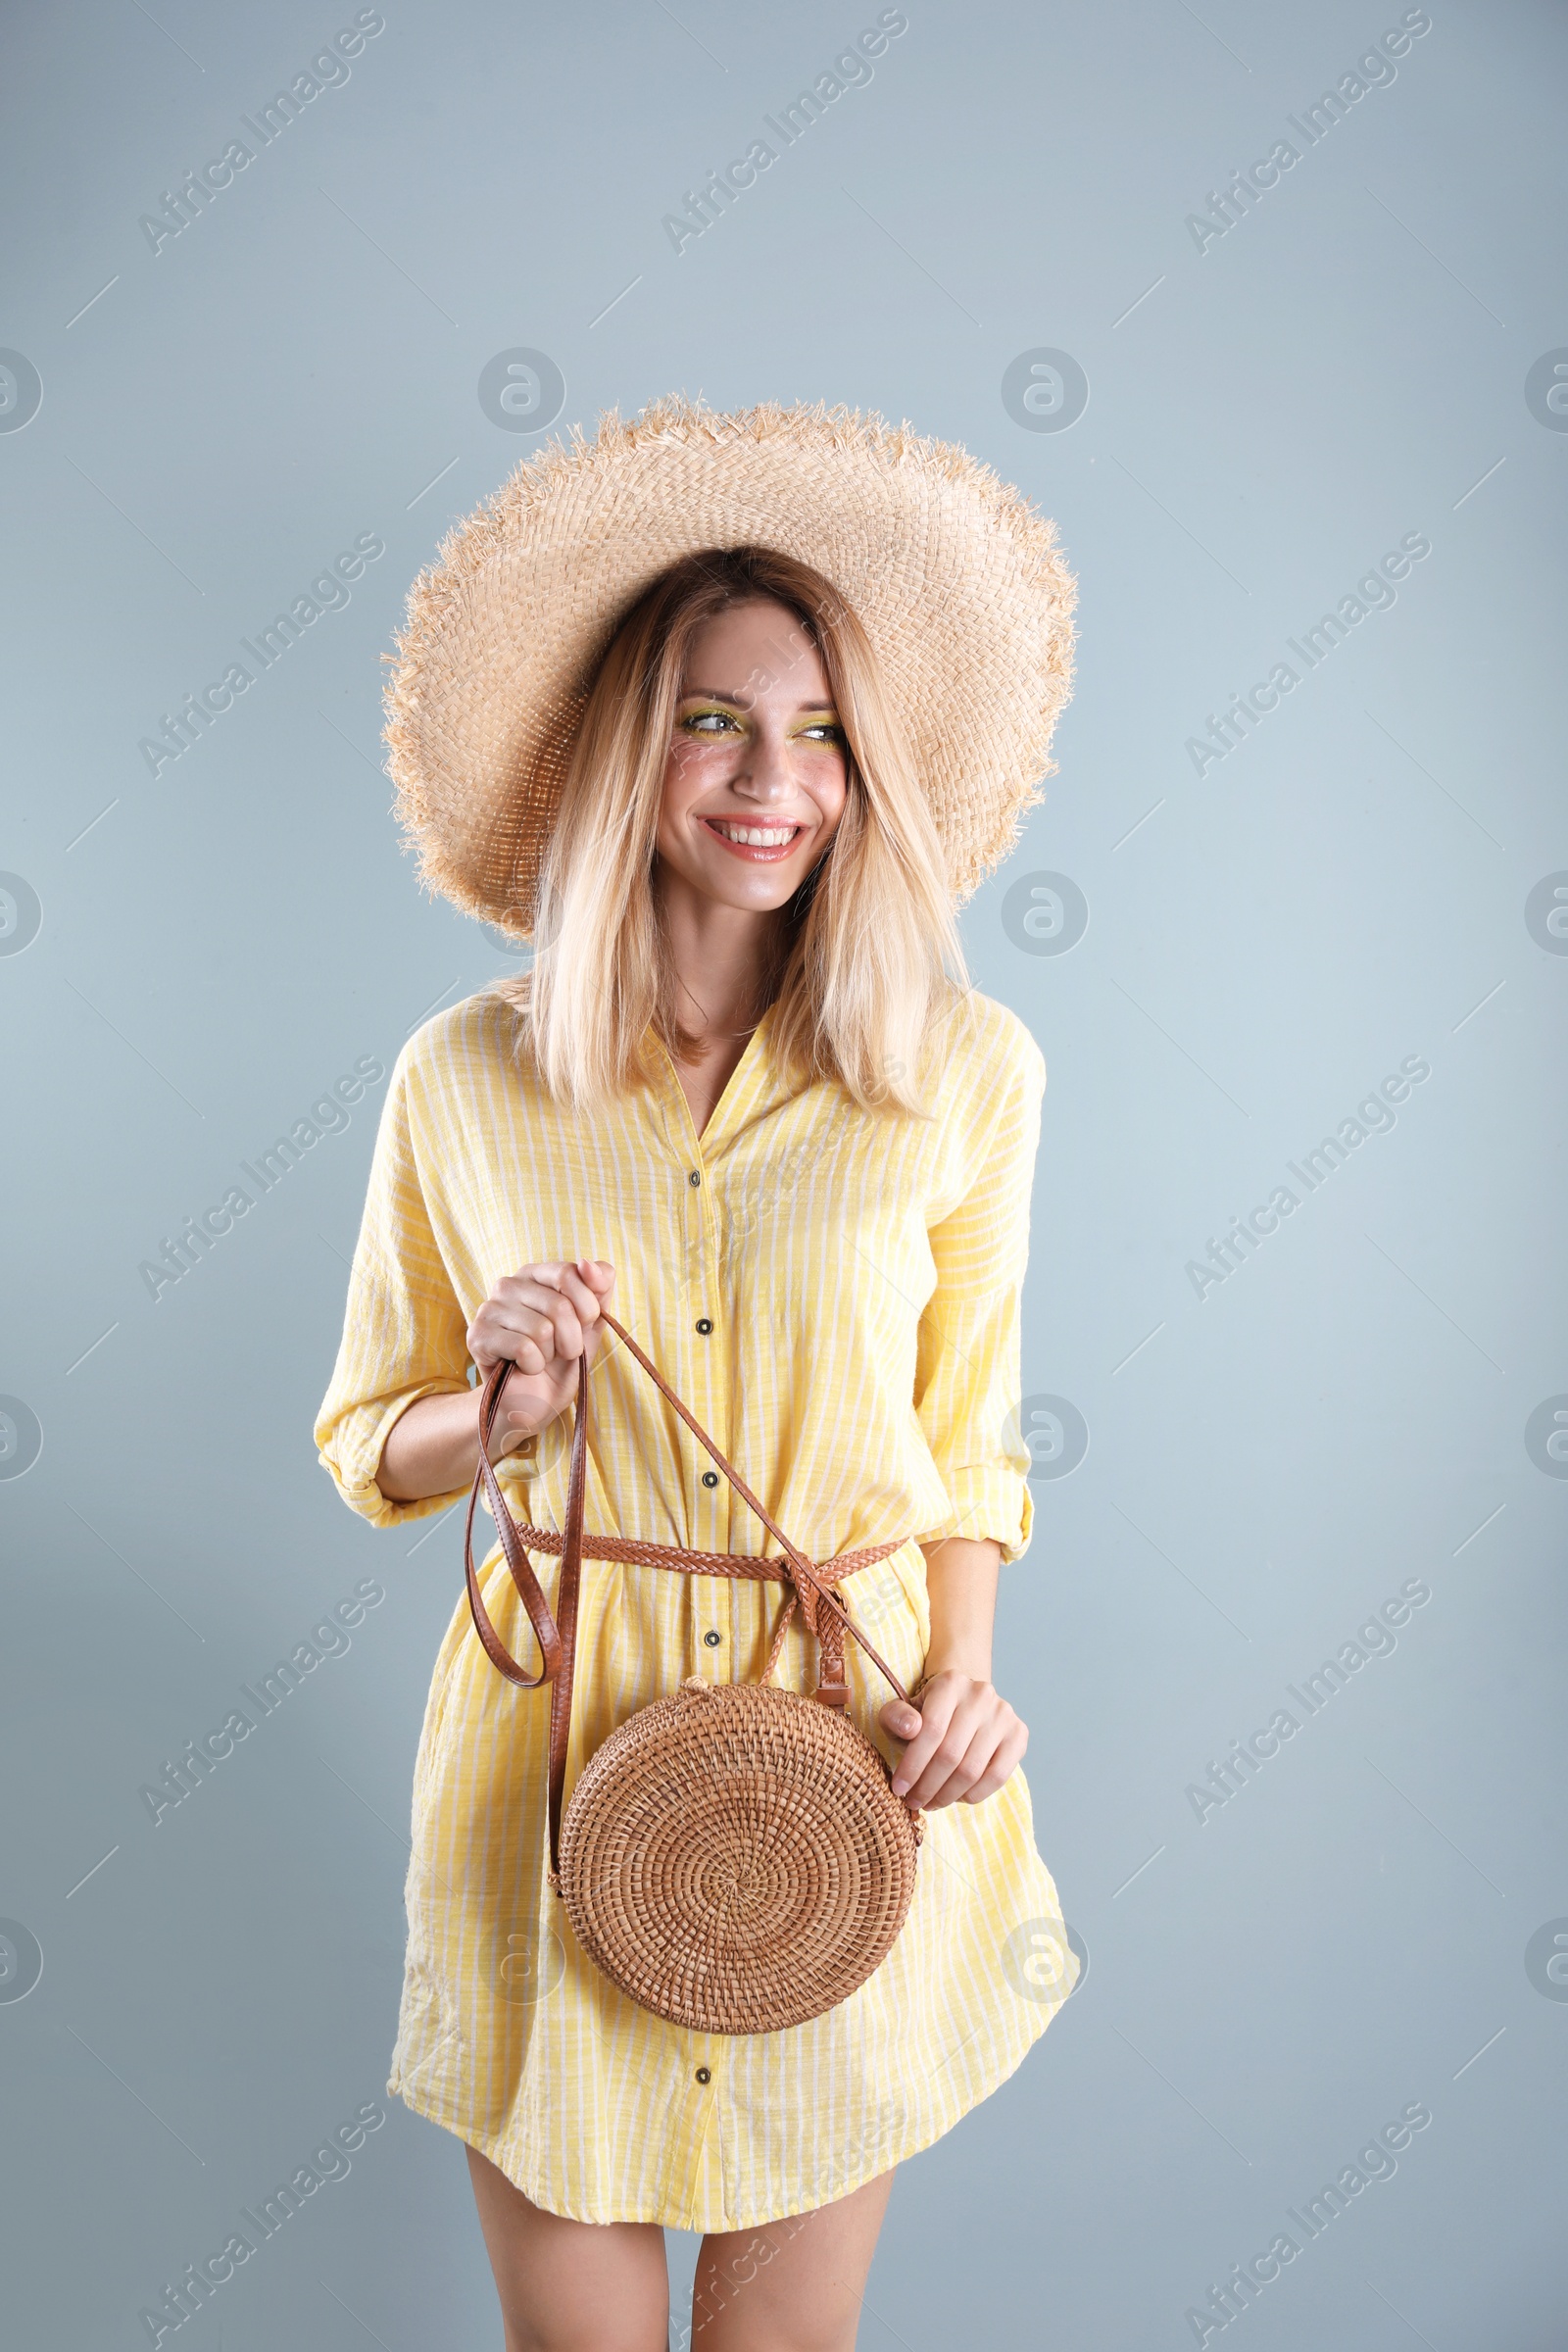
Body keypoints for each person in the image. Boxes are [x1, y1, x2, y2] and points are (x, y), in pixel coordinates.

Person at [316, 397, 1079, 2352]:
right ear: (620, 752)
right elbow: (361, 1441)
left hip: (843, 1763)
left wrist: (964, 1678)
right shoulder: (458, 1081)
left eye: (819, 731)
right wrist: (486, 1415)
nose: (774, 779)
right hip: (551, 1767)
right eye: (715, 720)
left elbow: (968, 1435)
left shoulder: (962, 1076)